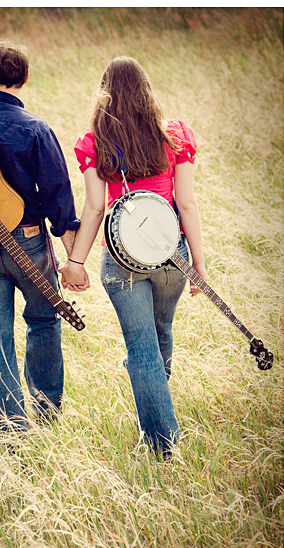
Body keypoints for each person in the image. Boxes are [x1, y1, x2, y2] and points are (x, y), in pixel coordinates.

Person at [59, 56, 207, 459]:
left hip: (121, 260)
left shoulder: (94, 143)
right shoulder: (175, 137)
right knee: (160, 334)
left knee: (141, 347)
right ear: (147, 91)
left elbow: (92, 208)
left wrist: (75, 262)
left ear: (104, 94)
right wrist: (199, 265)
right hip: (170, 256)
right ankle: (161, 414)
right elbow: (187, 204)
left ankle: (163, 445)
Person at [0, 39, 83, 437]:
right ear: (25, 78)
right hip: (28, 243)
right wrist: (72, 262)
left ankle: (12, 432)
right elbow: (60, 202)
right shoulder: (37, 129)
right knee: (43, 323)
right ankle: (46, 417)